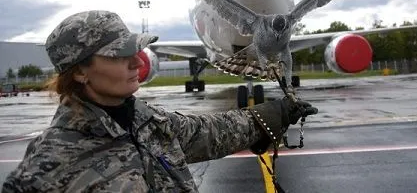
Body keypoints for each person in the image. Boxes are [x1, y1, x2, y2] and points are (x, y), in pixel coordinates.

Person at [2, 10, 318, 193]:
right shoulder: (44, 169)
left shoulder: (146, 121)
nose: (136, 63)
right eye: (118, 55)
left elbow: (209, 132)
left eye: (133, 51)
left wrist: (274, 113)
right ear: (80, 72)